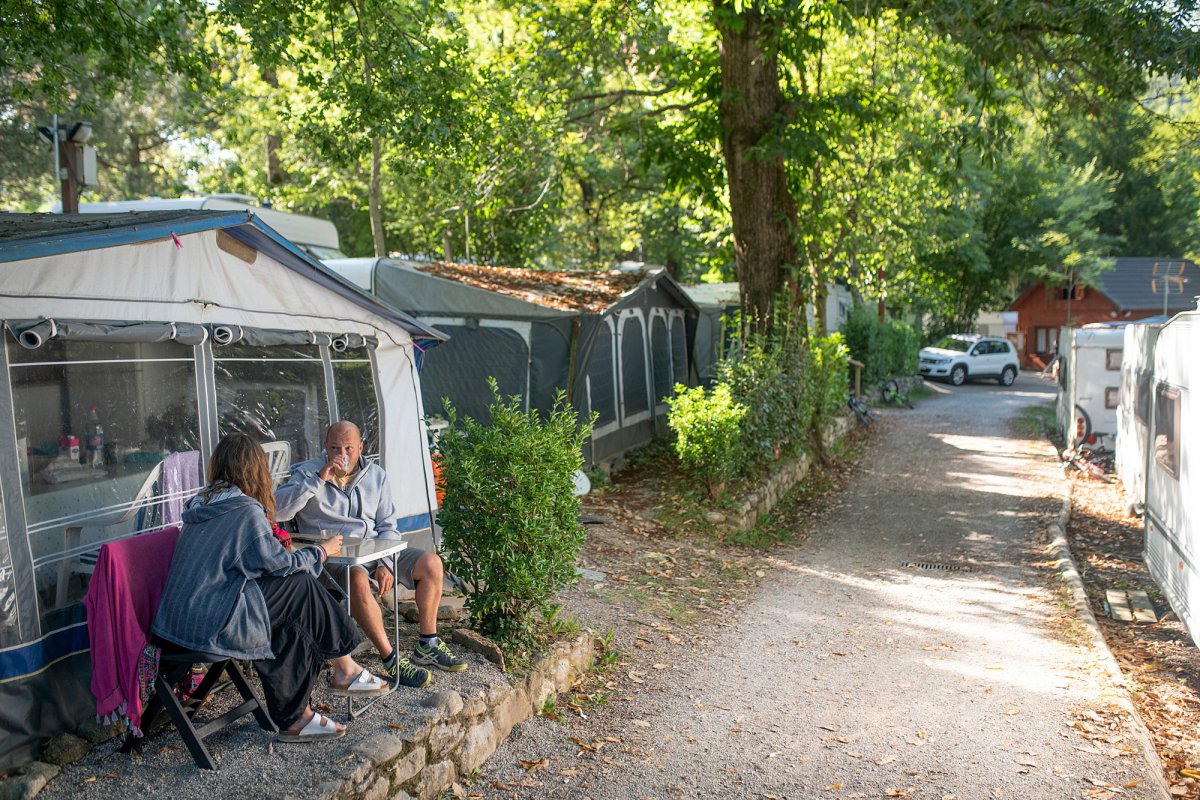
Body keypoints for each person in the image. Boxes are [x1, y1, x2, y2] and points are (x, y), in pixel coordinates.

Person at [152, 433, 388, 743]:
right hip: (206, 625)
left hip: (179, 621)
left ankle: (302, 710)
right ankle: (339, 671)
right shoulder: (243, 511)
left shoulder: (202, 505)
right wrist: (322, 551)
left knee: (288, 612)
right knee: (299, 587)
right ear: (255, 469)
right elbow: (279, 564)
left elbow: (255, 563)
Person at [275, 421, 467, 688]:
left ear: (361, 448)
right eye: (334, 448)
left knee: (431, 563)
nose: (342, 454)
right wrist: (320, 479)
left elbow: (388, 524)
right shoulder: (306, 472)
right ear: (325, 447)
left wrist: (387, 562)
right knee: (356, 577)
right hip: (333, 559)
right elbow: (279, 512)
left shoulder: (376, 475)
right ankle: (391, 659)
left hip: (375, 551)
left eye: (349, 448)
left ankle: (428, 643)